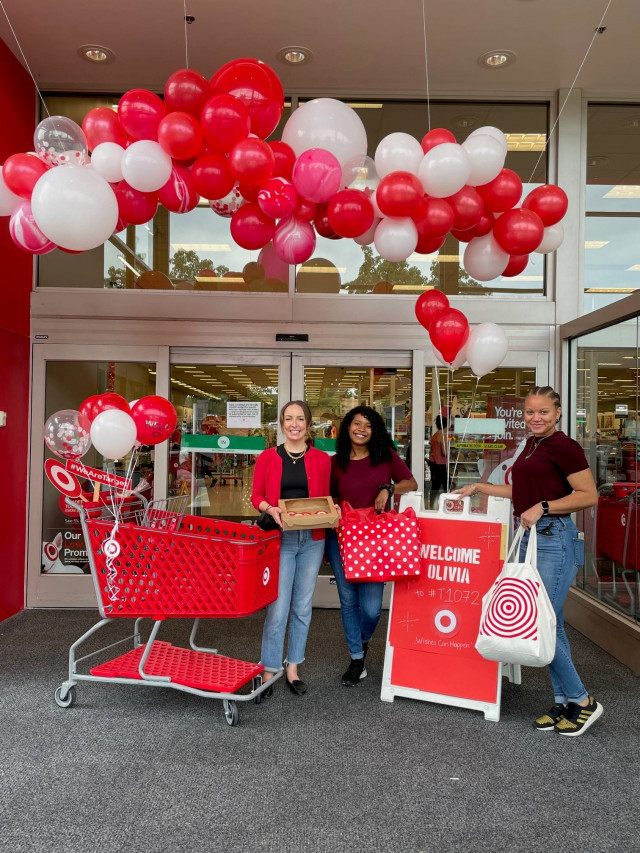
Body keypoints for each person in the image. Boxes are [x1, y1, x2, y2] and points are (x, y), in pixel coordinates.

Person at [455, 386, 602, 736]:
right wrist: (480, 487)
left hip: (553, 539)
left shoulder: (565, 446)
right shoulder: (534, 444)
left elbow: (589, 495)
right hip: (533, 538)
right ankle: (563, 700)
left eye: (544, 413)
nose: (536, 418)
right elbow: (523, 493)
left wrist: (546, 506)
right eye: (530, 412)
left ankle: (583, 702)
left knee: (543, 623)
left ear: (559, 413)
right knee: (553, 623)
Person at [325, 406, 418, 686]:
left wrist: (388, 488)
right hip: (341, 537)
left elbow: (410, 482)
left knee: (372, 608)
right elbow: (326, 498)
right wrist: (333, 510)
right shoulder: (335, 462)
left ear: (374, 430)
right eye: (356, 423)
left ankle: (362, 642)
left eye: (368, 425)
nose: (361, 429)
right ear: (347, 427)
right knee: (348, 601)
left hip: (375, 540)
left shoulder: (384, 457)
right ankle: (356, 658)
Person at [251, 400, 331, 696]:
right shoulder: (268, 457)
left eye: (299, 418)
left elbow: (325, 499)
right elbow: (256, 495)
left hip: (312, 540)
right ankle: (269, 667)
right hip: (280, 541)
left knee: (302, 608)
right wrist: (270, 508)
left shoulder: (322, 459)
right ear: (281, 423)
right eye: (288, 418)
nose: (294, 423)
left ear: (308, 423)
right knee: (278, 608)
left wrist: (330, 513)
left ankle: (293, 666)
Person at [428, 415, 449, 492]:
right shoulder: (442, 436)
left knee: (435, 485)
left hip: (433, 463)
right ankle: (447, 502)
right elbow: (444, 452)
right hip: (440, 464)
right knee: (446, 486)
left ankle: (432, 503)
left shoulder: (434, 435)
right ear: (445, 425)